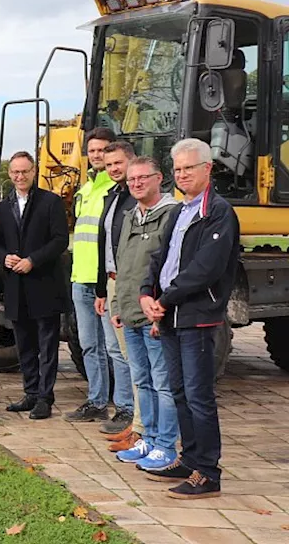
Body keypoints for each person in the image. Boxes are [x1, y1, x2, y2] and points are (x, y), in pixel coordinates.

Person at [138, 138, 239, 499]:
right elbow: (159, 258)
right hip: (169, 316)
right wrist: (147, 294)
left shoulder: (218, 212)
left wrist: (165, 298)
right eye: (177, 169)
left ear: (207, 169)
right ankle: (190, 459)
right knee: (179, 391)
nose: (181, 175)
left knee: (199, 396)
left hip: (195, 316)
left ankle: (208, 472)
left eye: (188, 168)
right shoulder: (180, 211)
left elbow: (204, 270)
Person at [111, 156, 180, 471]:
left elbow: (170, 268)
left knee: (163, 383)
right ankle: (148, 440)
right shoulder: (130, 216)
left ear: (159, 178)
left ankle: (166, 445)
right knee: (143, 380)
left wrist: (160, 312)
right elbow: (123, 264)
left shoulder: (172, 215)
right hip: (129, 315)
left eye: (143, 178)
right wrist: (118, 306)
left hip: (154, 316)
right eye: (131, 180)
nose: (136, 184)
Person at [0, 151, 69, 420]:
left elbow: (60, 240)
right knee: (24, 345)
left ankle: (45, 398)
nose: (20, 176)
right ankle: (30, 393)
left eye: (24, 171)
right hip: (16, 287)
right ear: (10, 174)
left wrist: (33, 261)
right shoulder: (4, 206)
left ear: (34, 171)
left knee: (47, 346)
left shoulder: (51, 202)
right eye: (15, 172)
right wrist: (5, 257)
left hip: (44, 284)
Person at [66, 128, 129, 424]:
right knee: (89, 345)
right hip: (82, 277)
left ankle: (126, 406)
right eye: (91, 151)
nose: (96, 156)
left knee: (115, 347)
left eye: (102, 150)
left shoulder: (116, 188)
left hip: (105, 279)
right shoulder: (86, 188)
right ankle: (97, 401)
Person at [93, 140, 140, 441]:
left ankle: (135, 417)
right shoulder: (112, 197)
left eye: (118, 163)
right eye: (108, 165)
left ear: (132, 161)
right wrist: (101, 289)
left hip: (130, 284)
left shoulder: (135, 198)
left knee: (132, 354)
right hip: (110, 282)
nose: (113, 169)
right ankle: (127, 410)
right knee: (116, 350)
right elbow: (104, 244)